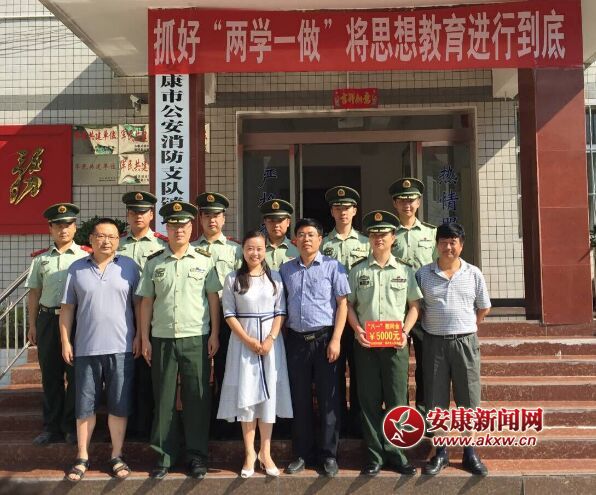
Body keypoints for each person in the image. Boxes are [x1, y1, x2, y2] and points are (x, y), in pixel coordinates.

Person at [138, 201, 222, 480]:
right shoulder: (155, 262)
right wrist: (145, 337)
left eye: (183, 225)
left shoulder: (204, 259)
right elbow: (146, 302)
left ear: (191, 227)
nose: (178, 230)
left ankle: (197, 455)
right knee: (163, 398)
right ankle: (164, 455)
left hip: (196, 337)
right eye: (173, 225)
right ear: (166, 228)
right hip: (162, 338)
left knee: (197, 398)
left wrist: (215, 333)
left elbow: (213, 299)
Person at [59, 218, 140, 482]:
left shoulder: (129, 267)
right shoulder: (76, 268)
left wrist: (140, 336)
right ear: (91, 239)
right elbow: (67, 308)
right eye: (101, 236)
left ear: (119, 241)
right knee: (85, 405)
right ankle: (82, 456)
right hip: (86, 348)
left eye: (112, 237)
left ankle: (117, 455)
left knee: (119, 404)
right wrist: (65, 341)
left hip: (122, 347)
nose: (106, 241)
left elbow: (139, 306)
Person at [347, 210, 422, 477]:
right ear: (369, 238)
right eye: (374, 234)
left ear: (393, 238)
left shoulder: (405, 270)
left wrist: (405, 332)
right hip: (366, 345)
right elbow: (349, 305)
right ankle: (374, 456)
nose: (379, 238)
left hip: (395, 346)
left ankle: (397, 454)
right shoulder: (358, 270)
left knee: (397, 399)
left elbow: (414, 306)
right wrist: (357, 330)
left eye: (384, 234)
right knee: (368, 401)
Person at [415, 223, 491, 476]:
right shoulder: (423, 274)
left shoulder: (473, 273)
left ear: (462, 245)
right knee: (436, 399)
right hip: (434, 343)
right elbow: (417, 307)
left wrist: (467, 326)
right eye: (444, 242)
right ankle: (441, 452)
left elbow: (484, 307)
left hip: (465, 343)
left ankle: (470, 452)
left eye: (453, 242)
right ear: (436, 244)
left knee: (468, 398)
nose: (448, 247)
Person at [217, 230, 292, 478]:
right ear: (243, 250)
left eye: (259, 248)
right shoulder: (233, 279)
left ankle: (266, 452)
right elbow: (229, 313)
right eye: (250, 248)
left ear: (265, 250)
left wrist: (270, 339)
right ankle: (249, 452)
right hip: (243, 343)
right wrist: (248, 340)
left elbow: (281, 311)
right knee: (247, 395)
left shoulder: (275, 278)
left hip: (271, 344)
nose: (255, 253)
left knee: (268, 396)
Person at [280, 218, 350, 478]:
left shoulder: (333, 267)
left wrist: (336, 339)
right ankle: (301, 454)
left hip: (324, 340)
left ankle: (329, 455)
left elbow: (342, 305)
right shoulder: (286, 269)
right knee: (299, 399)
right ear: (295, 240)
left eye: (311, 234)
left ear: (321, 239)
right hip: (296, 341)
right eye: (301, 235)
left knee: (329, 399)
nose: (306, 239)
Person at [25, 203, 90, 446]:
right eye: (58, 225)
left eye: (68, 225)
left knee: (76, 375)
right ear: (50, 228)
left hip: (78, 321)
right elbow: (34, 293)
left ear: (75, 227)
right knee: (51, 374)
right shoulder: (41, 259)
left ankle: (71, 426)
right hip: (48, 319)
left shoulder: (86, 256)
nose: (63, 229)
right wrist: (32, 325)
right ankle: (51, 427)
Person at [118, 190, 168, 441]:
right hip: (120, 315)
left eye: (143, 212)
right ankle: (125, 426)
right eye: (133, 212)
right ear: (128, 215)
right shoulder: (117, 244)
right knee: (123, 373)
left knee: (147, 372)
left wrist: (143, 331)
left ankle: (146, 425)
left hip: (152, 315)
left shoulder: (162, 245)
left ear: (151, 215)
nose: (138, 216)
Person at [193, 192, 242, 438]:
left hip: (228, 318)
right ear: (200, 218)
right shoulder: (190, 249)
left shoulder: (236, 250)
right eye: (207, 215)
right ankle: (203, 423)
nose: (212, 220)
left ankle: (226, 424)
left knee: (227, 370)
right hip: (197, 318)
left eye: (216, 215)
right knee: (199, 374)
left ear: (224, 218)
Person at [321, 185, 369, 436]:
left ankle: (359, 423)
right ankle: (337, 424)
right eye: (338, 208)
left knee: (361, 372)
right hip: (333, 318)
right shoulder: (322, 243)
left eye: (347, 208)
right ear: (331, 211)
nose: (343, 212)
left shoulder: (366, 242)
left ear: (354, 211)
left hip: (361, 317)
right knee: (334, 374)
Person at [389, 177, 437, 423]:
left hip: (425, 309)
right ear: (395, 204)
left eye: (411, 200)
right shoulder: (388, 234)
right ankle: (399, 414)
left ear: (418, 202)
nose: (407, 205)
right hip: (395, 309)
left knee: (426, 365)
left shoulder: (431, 233)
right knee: (395, 367)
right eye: (402, 200)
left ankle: (425, 414)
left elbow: (440, 268)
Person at [260, 198, 299, 270]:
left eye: (280, 220)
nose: (276, 225)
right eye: (272, 221)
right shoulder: (257, 249)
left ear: (288, 222)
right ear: (265, 222)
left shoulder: (298, 249)